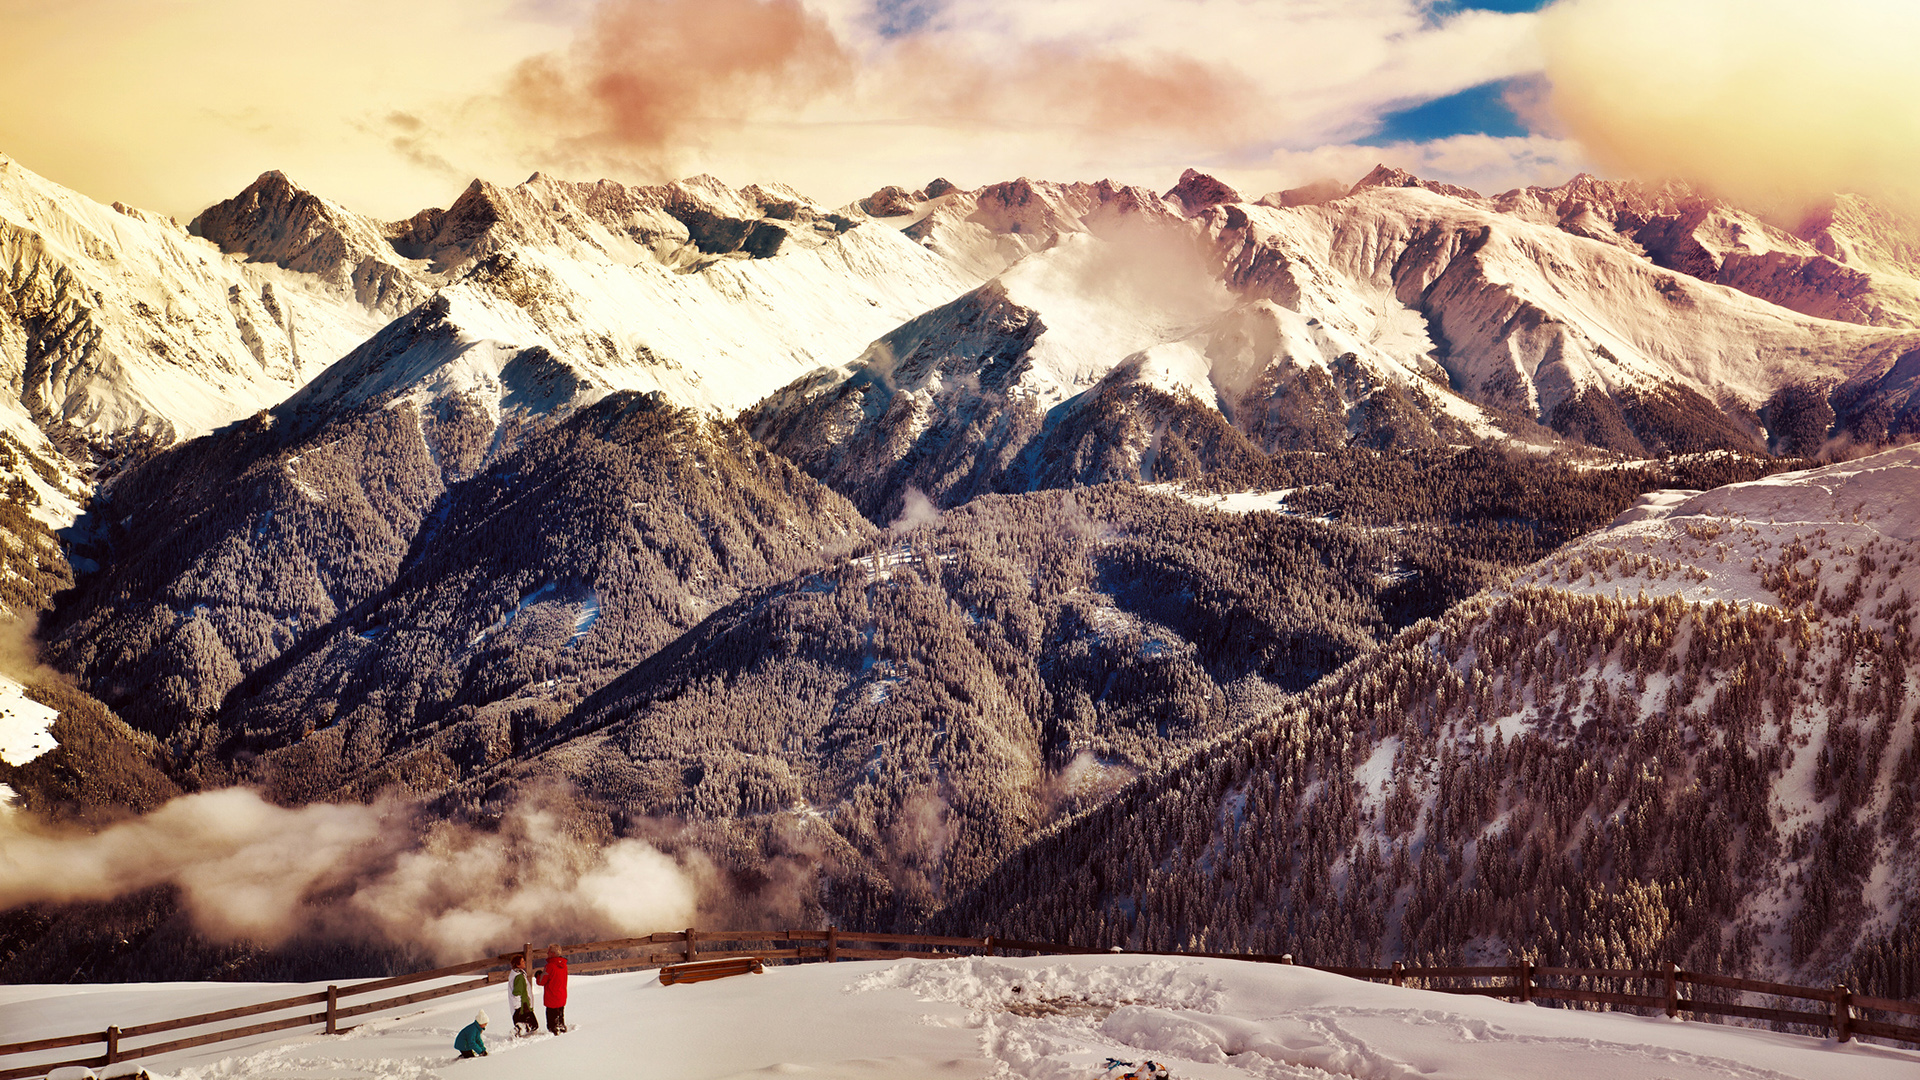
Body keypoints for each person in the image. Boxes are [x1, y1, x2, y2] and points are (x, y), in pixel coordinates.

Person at [536, 944, 569, 1034]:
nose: (547, 953)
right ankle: (562, 1030)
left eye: (549, 951)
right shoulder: (564, 965)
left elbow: (541, 981)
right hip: (561, 996)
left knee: (552, 1024)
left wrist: (538, 975)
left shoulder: (550, 966)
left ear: (553, 953)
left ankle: (554, 1037)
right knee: (560, 1018)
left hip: (551, 997)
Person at [507, 953, 538, 1036]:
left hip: (522, 1005)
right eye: (522, 961)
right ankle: (518, 1029)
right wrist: (518, 1008)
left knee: (530, 1024)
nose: (524, 962)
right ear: (517, 964)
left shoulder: (517, 974)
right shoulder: (519, 977)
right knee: (533, 1025)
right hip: (523, 1006)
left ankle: (519, 1029)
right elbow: (516, 993)